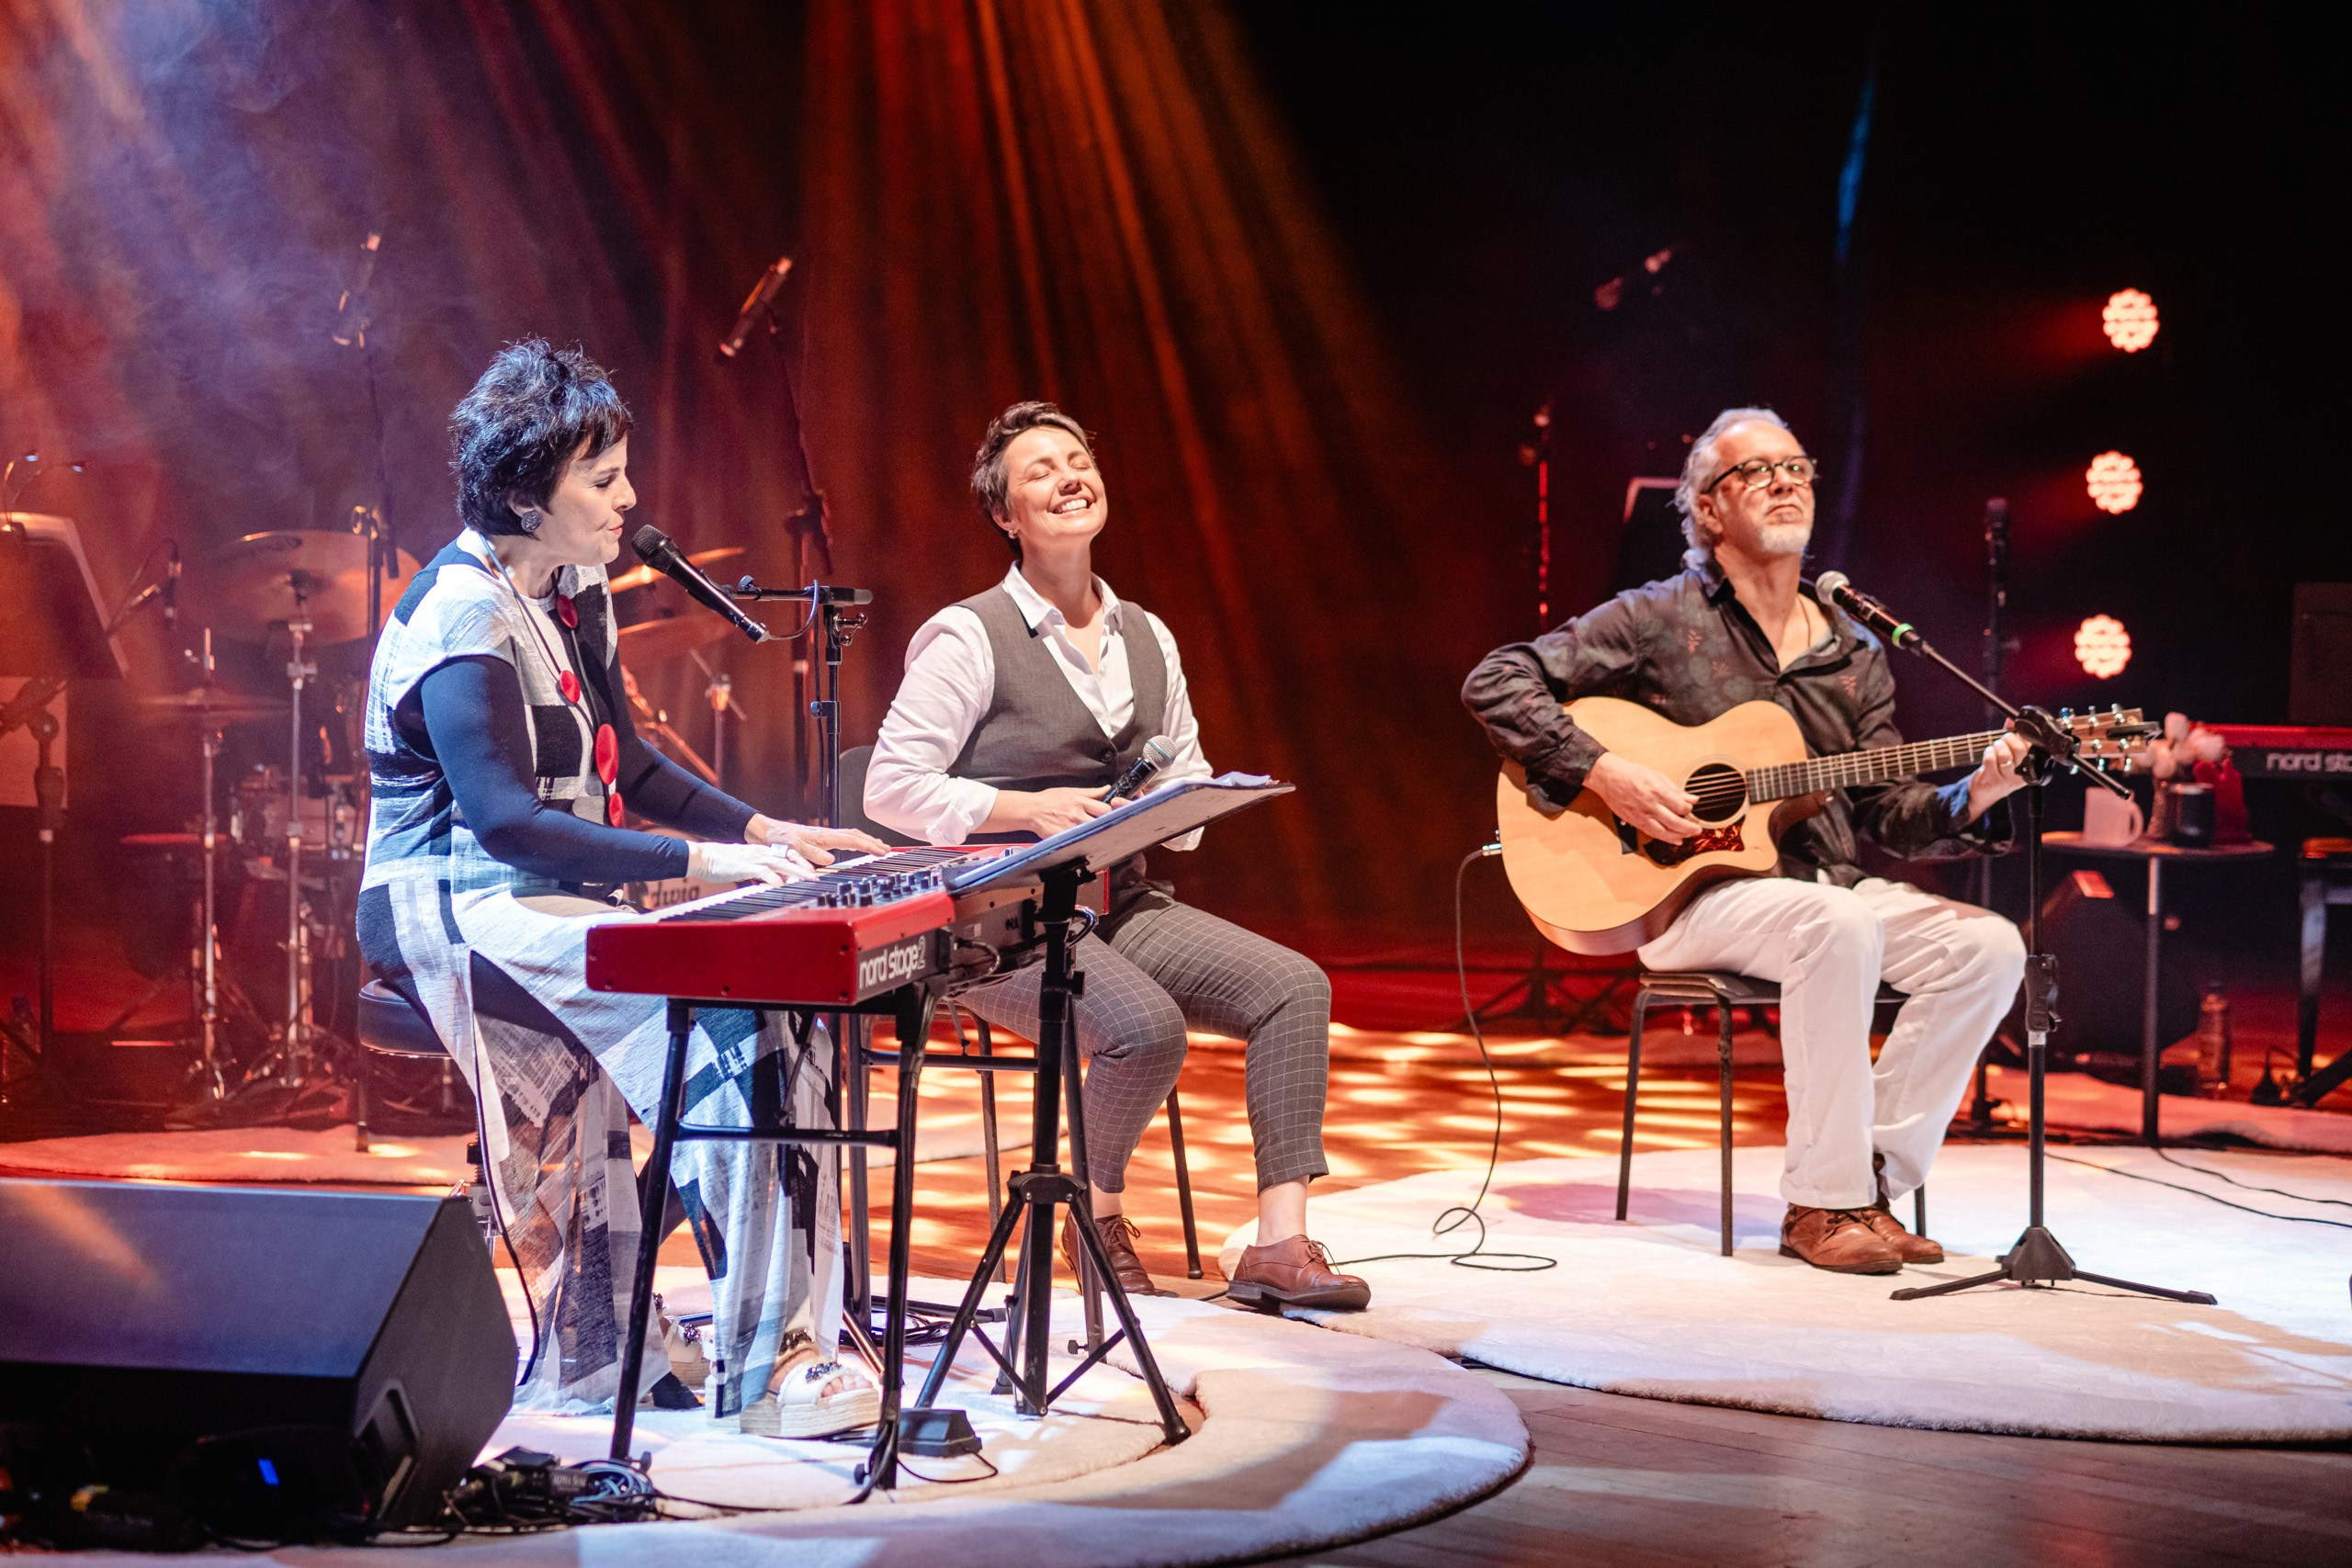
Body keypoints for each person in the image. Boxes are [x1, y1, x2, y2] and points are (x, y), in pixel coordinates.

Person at [356, 340, 888, 1431]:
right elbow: (504, 822)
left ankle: (709, 1337)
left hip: (551, 891)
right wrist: (704, 865)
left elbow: (629, 767)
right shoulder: (461, 611)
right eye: (602, 480)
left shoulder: (570, 589)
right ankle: (769, 1363)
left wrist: (764, 828)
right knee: (730, 1023)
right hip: (457, 904)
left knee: (782, 1008)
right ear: (521, 490)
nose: (630, 497)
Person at [1462, 407, 2030, 1274]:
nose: (1785, 480)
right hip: (1688, 894)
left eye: (1797, 467)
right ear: (1708, 509)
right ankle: (1821, 1207)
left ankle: (1865, 1182)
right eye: (1756, 471)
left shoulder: (1854, 648)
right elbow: (1497, 680)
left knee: (1990, 947)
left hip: (1829, 887)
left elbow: (1887, 813)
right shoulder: (1657, 618)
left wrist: (1977, 790)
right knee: (1836, 927)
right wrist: (1605, 771)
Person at [864, 401, 1369, 1312]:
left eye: (1077, 459)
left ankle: (1279, 1244)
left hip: (1114, 903)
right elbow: (889, 789)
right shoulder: (968, 634)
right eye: (1039, 470)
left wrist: (1182, 805)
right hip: (998, 917)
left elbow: (1185, 781)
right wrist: (1026, 807)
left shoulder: (1147, 633)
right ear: (1005, 516)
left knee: (1295, 987)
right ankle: (1087, 1223)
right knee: (1145, 1029)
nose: (1068, 476)